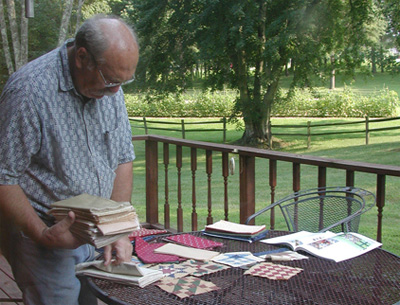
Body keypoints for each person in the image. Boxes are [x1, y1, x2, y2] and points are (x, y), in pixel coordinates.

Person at [0, 14, 139, 305]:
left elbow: (123, 158)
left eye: (123, 81)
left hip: (94, 234)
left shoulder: (111, 86)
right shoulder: (30, 91)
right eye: (110, 80)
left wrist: (118, 230)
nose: (116, 91)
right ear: (82, 57)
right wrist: (42, 234)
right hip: (45, 235)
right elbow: (3, 175)